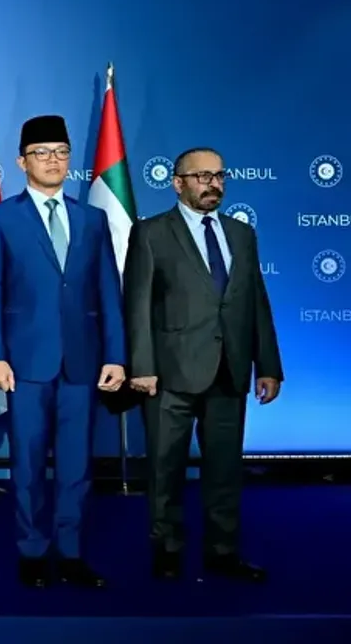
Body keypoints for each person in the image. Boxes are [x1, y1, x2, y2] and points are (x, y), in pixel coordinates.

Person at [0, 115, 126, 589]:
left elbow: (108, 292)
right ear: (22, 162)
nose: (53, 160)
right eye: (41, 153)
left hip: (82, 362)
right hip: (24, 364)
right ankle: (33, 551)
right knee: (28, 464)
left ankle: (72, 552)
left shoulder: (92, 219)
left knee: (77, 465)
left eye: (61, 152)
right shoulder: (0, 218)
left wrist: (116, 355)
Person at [124, 147, 280, 583]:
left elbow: (256, 301)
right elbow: (137, 304)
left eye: (219, 176)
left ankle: (222, 551)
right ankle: (167, 550)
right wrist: (141, 366)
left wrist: (268, 365)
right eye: (202, 176)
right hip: (169, 374)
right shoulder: (151, 232)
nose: (213, 184)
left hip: (230, 370)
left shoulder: (241, 234)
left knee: (225, 470)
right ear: (178, 183)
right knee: (165, 469)